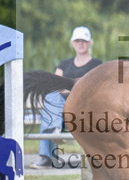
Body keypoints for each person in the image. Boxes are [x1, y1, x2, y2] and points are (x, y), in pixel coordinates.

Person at [31, 26, 103, 168]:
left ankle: (54, 134)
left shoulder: (97, 64)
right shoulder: (64, 63)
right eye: (77, 40)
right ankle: (53, 140)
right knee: (51, 97)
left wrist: (69, 87)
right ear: (72, 43)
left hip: (83, 111)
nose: (80, 43)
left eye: (84, 40)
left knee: (51, 111)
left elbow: (93, 87)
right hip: (61, 110)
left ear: (90, 43)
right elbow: (55, 85)